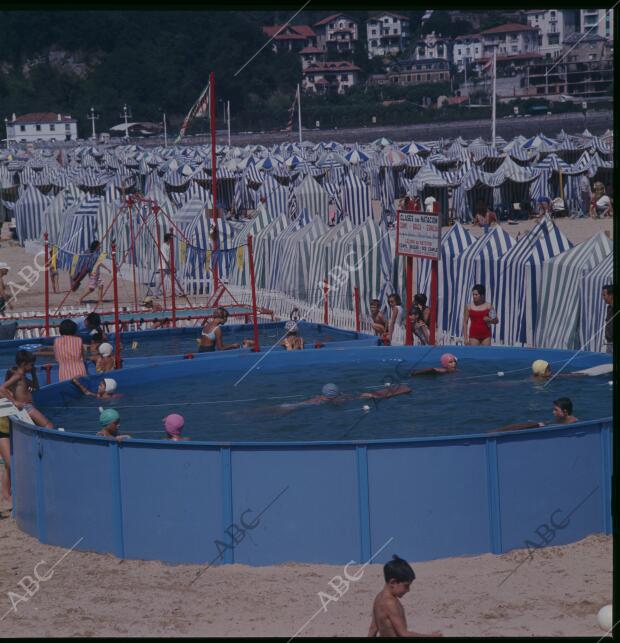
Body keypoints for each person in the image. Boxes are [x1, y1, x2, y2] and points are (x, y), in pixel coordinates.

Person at [368, 554, 441, 637]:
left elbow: (373, 628)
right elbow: (404, 634)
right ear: (393, 583)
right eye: (406, 586)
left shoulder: (379, 598)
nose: (408, 590)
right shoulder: (390, 603)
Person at [0, 350, 53, 428]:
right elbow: (2, 388)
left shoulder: (23, 377)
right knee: (49, 425)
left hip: (28, 406)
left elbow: (36, 387)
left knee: (40, 426)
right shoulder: (19, 375)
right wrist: (14, 402)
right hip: (26, 407)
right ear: (24, 364)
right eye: (32, 365)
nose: (33, 367)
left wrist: (33, 374)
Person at [278, 382, 411, 410]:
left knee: (291, 406)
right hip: (308, 405)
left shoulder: (317, 398)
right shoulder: (341, 398)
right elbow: (360, 396)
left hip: (301, 404)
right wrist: (371, 395)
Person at [488, 397, 578, 433]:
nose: (553, 412)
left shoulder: (575, 424)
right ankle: (497, 431)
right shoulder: (559, 420)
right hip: (546, 424)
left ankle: (496, 431)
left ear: (565, 412)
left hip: (548, 425)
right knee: (523, 426)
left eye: (556, 410)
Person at [79, 241, 110, 305]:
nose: (100, 246)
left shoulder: (94, 253)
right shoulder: (95, 255)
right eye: (99, 245)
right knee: (91, 289)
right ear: (96, 247)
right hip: (94, 273)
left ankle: (100, 300)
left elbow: (98, 263)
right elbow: (97, 263)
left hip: (95, 273)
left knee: (101, 285)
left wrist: (107, 269)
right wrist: (107, 269)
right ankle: (80, 299)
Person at [602, 284, 613, 354]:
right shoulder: (609, 308)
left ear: (611, 295)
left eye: (604, 295)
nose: (603, 297)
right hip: (609, 343)